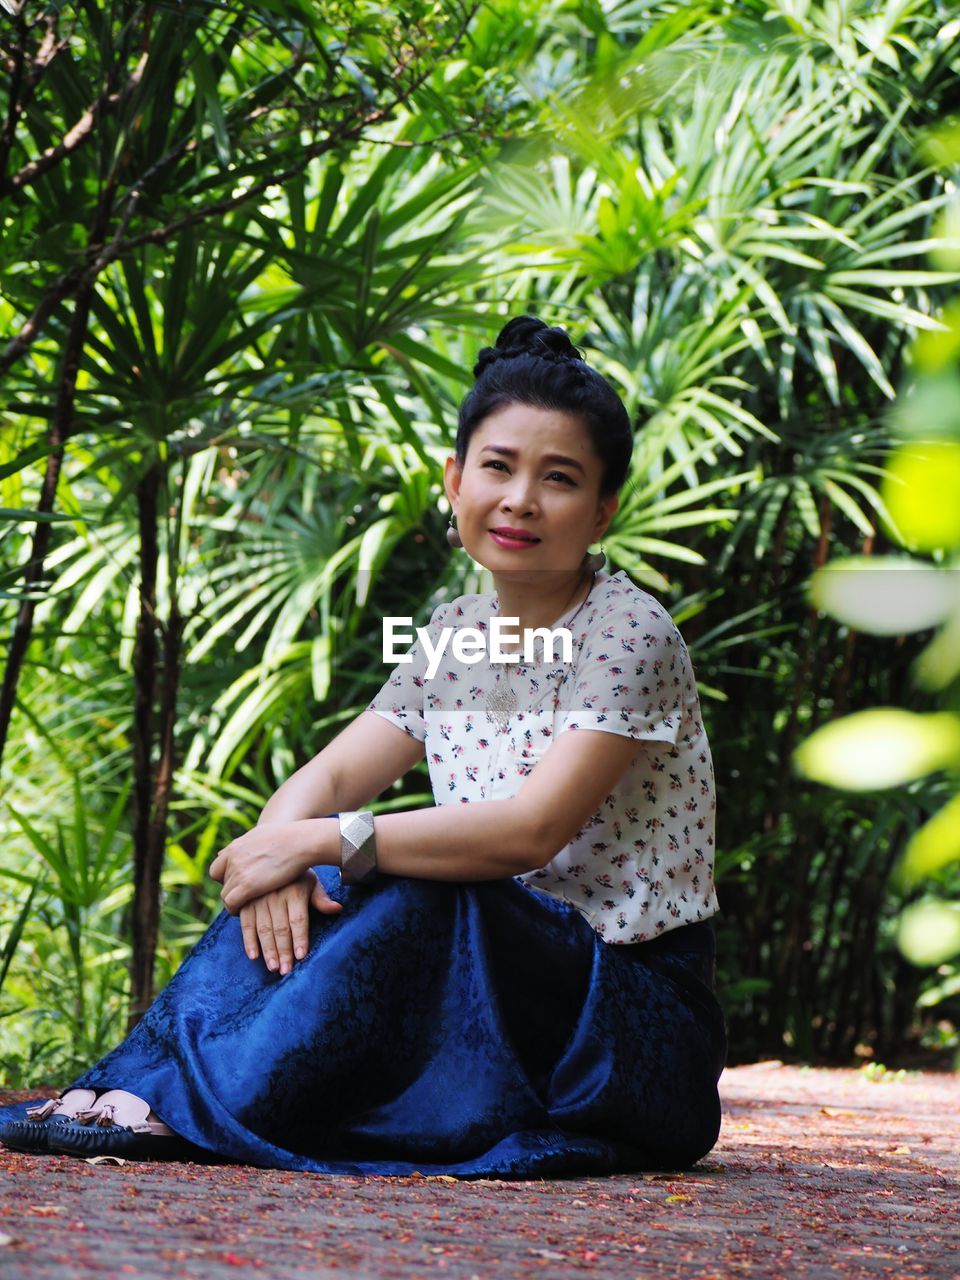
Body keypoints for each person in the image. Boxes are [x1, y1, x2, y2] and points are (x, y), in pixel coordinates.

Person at [0, 315, 727, 1177]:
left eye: (559, 479)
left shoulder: (628, 630)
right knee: (353, 869)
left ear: (603, 510)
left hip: (624, 1025)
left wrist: (316, 841)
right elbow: (331, 777)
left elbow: (529, 832)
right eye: (497, 467)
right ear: (454, 480)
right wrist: (289, 862)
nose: (521, 499)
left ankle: (181, 1102)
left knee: (423, 880)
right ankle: (140, 1084)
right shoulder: (455, 633)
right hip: (490, 986)